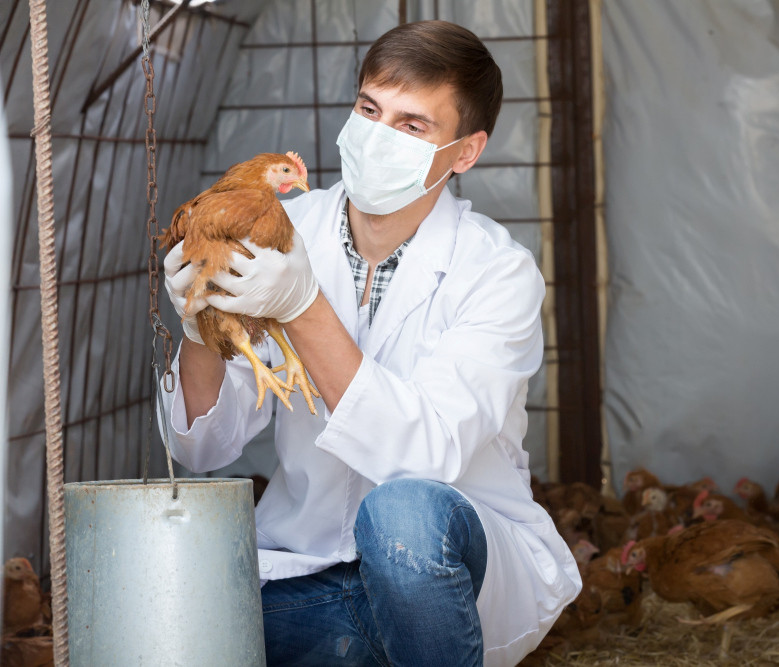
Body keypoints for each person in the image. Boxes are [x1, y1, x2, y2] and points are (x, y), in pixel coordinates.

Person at [161, 19, 582, 667]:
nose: (377, 136)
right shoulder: (281, 229)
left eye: (412, 126)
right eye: (368, 109)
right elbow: (202, 446)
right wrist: (200, 329)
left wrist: (303, 307)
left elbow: (425, 456)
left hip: (445, 574)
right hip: (307, 565)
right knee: (168, 616)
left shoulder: (497, 272)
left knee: (404, 516)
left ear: (465, 152)